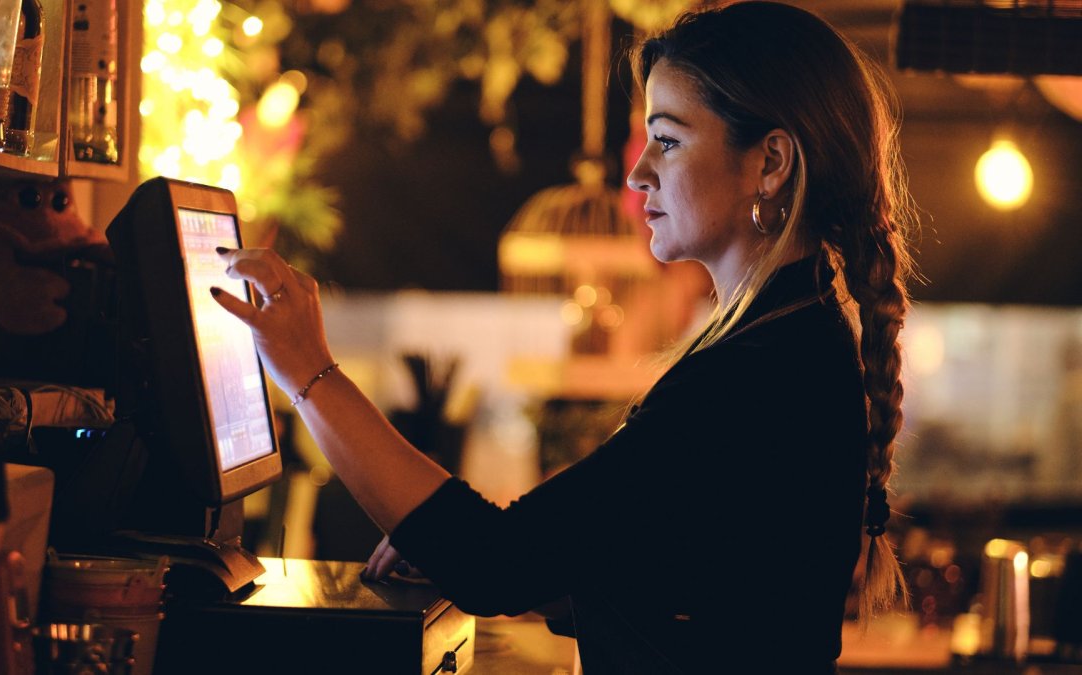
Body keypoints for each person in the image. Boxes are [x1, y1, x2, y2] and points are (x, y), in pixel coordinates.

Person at [211, 2, 916, 671]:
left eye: (669, 141)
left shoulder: (758, 372)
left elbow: (492, 562)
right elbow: (699, 594)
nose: (638, 174)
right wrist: (508, 565)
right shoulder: (787, 339)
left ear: (771, 163)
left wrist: (308, 372)